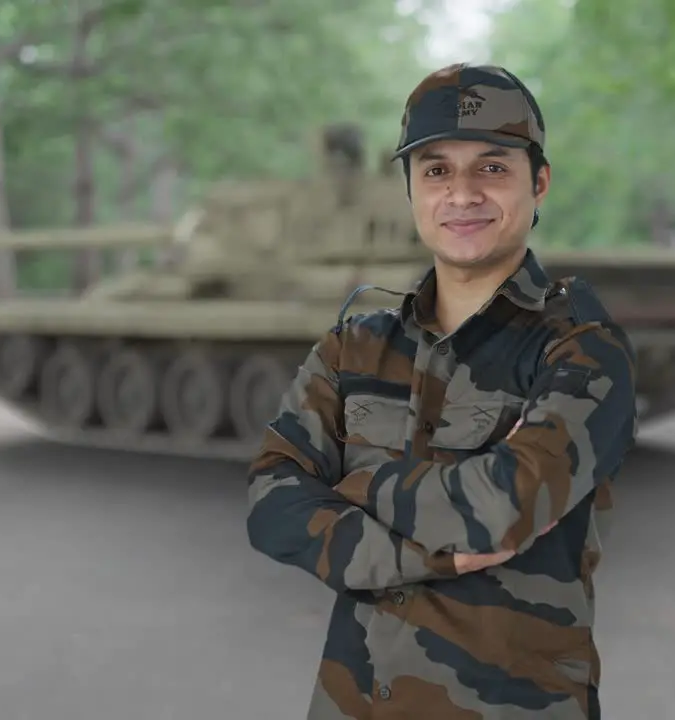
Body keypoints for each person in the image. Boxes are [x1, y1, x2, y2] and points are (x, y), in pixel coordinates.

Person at [246, 62, 638, 719]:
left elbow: (499, 507)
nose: (462, 194)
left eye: (491, 167)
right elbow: (268, 503)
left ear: (538, 182)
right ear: (409, 190)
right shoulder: (356, 344)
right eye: (436, 170)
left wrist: (354, 488)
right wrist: (431, 546)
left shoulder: (582, 349)